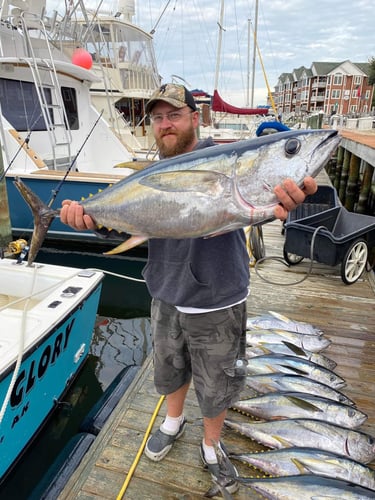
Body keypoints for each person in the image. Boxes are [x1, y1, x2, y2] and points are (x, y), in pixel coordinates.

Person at [60, 83, 317, 494]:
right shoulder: (147, 173)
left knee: (217, 381)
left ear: (194, 118)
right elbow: (128, 232)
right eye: (158, 117)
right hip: (165, 291)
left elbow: (252, 207)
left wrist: (283, 205)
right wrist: (89, 221)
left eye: (174, 115)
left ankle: (212, 446)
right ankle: (173, 422)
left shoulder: (228, 159)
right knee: (170, 369)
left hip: (218, 296)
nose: (165, 124)